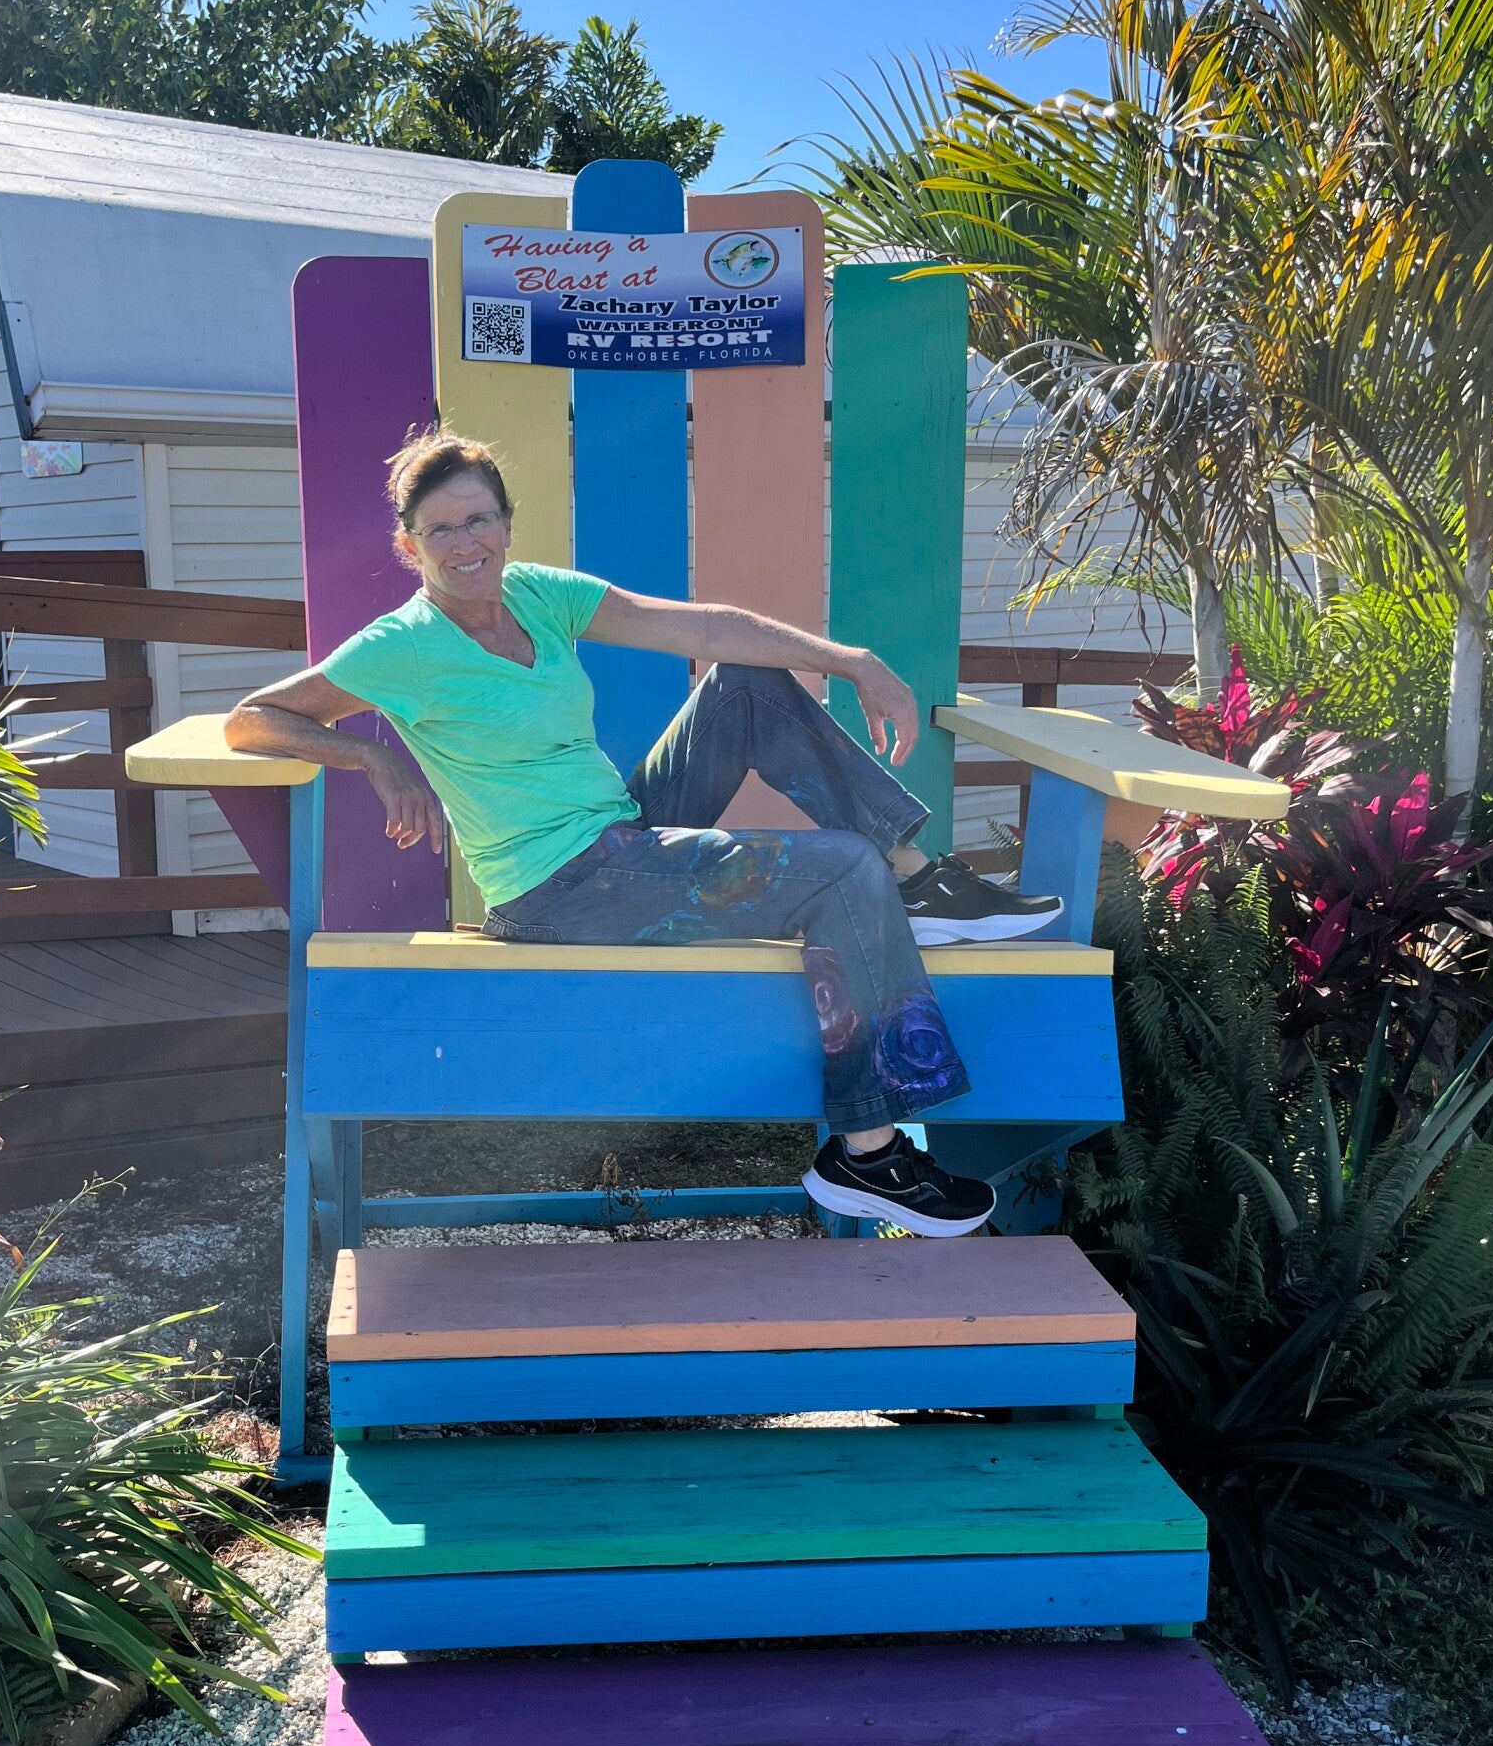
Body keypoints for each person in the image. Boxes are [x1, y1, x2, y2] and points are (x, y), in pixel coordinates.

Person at [223, 432, 1062, 1236]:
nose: (465, 542)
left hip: (620, 839)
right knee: (842, 873)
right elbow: (253, 719)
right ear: (410, 546)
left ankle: (916, 873)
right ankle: (869, 1154)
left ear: (507, 525)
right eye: (440, 529)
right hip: (556, 891)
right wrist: (372, 758)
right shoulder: (402, 646)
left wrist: (850, 660)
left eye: (478, 519)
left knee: (744, 683)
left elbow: (705, 628)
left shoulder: (536, 595)